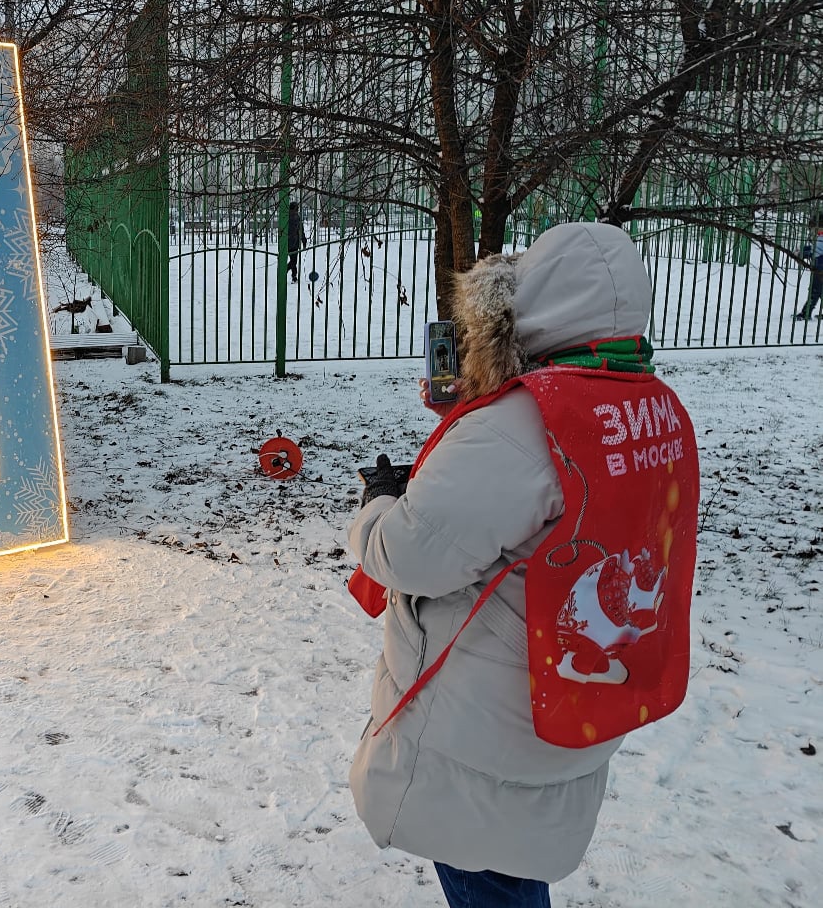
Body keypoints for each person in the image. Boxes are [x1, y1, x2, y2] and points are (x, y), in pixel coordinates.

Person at [345, 222, 699, 907]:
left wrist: (377, 502)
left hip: (484, 715)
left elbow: (407, 554)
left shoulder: (517, 428)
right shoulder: (651, 406)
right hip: (579, 682)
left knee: (486, 874)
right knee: (511, 855)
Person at [794, 217, 823, 320]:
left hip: (820, 270)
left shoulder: (821, 237)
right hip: (819, 268)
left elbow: (816, 251)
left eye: (814, 229)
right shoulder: (820, 237)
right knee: (819, 291)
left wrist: (802, 253)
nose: (812, 231)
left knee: (815, 290)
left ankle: (805, 313)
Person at [286, 201, 306, 282]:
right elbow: (301, 230)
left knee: (293, 260)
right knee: (294, 260)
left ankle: (294, 276)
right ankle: (290, 273)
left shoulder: (286, 217)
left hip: (287, 242)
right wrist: (303, 240)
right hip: (294, 242)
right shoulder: (296, 217)